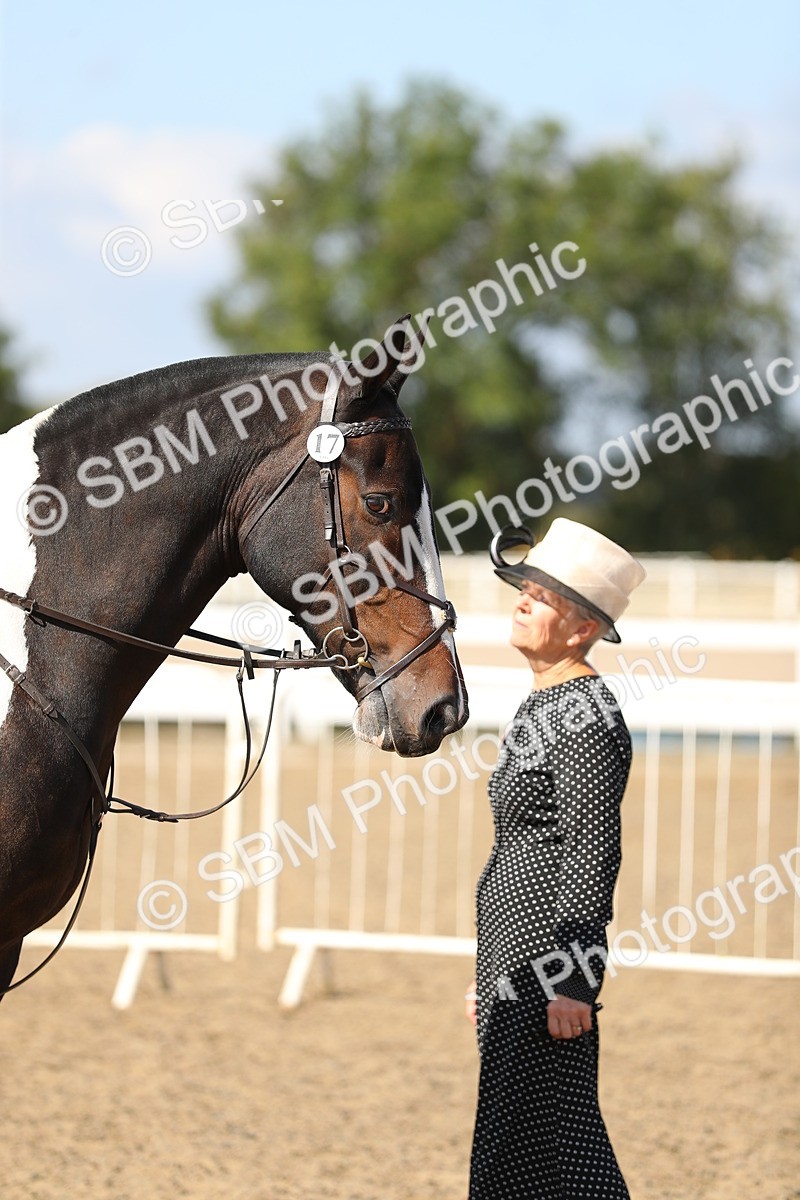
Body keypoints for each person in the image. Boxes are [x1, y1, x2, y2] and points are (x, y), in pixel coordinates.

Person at [465, 517, 646, 1200]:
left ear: (581, 631)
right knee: (528, 1141)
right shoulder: (546, 702)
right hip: (517, 959)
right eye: (525, 588)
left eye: (542, 596)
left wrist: (575, 978)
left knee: (548, 1142)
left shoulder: (584, 713)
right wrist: (488, 975)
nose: (521, 600)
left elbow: (592, 853)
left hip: (548, 964)